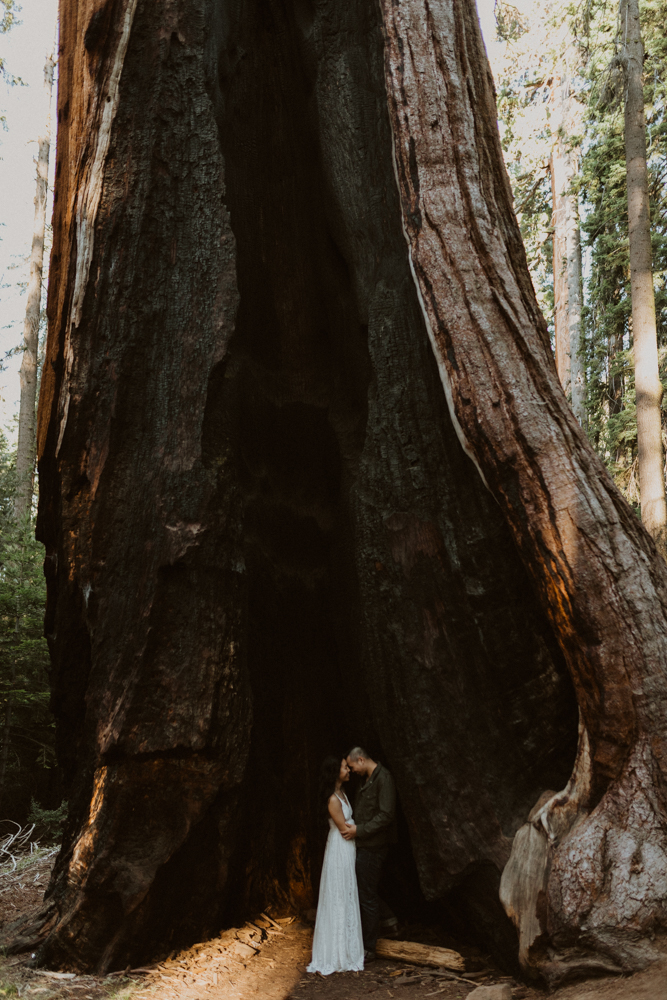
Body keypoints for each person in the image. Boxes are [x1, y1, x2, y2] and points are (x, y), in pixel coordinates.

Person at [307, 756, 365, 975]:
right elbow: (345, 829)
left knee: (347, 891)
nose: (348, 769)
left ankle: (349, 949)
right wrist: (365, 829)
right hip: (339, 848)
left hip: (347, 848)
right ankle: (337, 953)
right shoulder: (333, 799)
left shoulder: (343, 794)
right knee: (339, 894)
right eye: (344, 767)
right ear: (334, 772)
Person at [343, 747, 397, 962]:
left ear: (362, 760)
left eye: (352, 765)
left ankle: (369, 947)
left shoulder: (384, 778)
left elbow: (386, 815)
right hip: (364, 844)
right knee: (365, 889)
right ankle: (389, 921)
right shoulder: (366, 779)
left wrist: (359, 830)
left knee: (366, 895)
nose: (351, 770)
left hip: (374, 845)